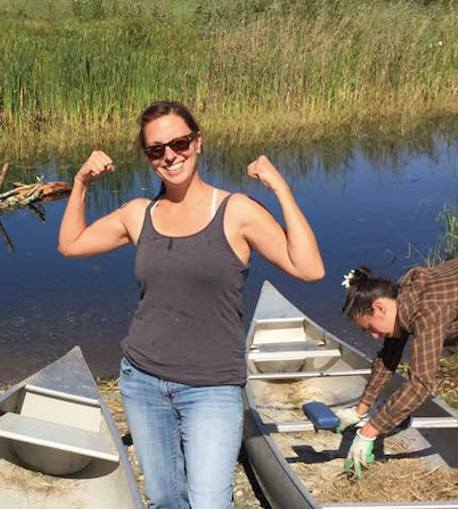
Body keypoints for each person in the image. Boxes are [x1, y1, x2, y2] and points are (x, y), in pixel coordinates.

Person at [58, 101, 324, 509]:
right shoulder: (138, 214)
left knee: (209, 502)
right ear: (147, 157)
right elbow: (70, 244)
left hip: (213, 387)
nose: (170, 155)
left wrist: (281, 189)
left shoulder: (236, 211)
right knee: (165, 500)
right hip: (142, 380)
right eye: (156, 149)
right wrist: (80, 182)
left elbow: (308, 268)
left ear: (197, 142)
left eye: (179, 142)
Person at [336, 261, 458, 479]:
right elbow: (388, 357)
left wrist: (369, 432)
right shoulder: (400, 295)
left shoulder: (429, 310)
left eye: (370, 327)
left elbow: (420, 385)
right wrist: (359, 411)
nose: (374, 336)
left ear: (379, 307)